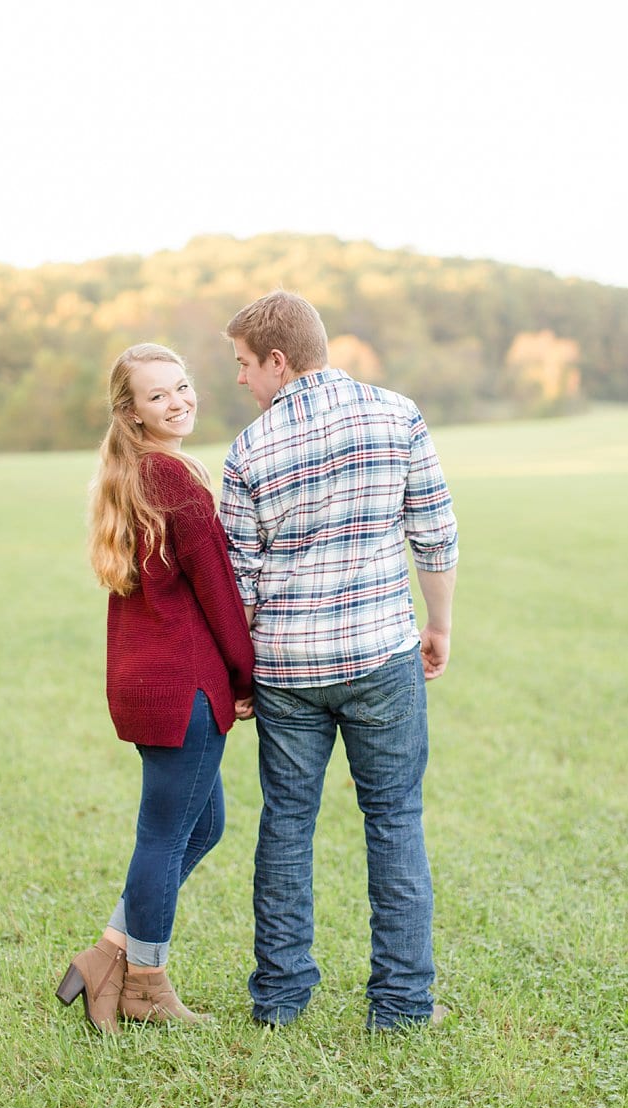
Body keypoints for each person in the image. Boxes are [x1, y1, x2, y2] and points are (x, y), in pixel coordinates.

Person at [220, 290, 459, 1031]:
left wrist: (243, 675)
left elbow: (241, 585)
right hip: (380, 651)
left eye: (242, 365)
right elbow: (435, 532)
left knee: (286, 825)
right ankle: (400, 1006)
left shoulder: (247, 450)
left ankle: (280, 999)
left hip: (288, 671)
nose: (238, 380)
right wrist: (438, 624)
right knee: (393, 820)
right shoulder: (397, 414)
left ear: (277, 360)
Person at [55, 343, 255, 1031]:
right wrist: (246, 674)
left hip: (143, 682)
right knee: (166, 833)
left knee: (203, 824)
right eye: (157, 395)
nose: (177, 401)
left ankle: (106, 954)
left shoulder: (133, 474)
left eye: (182, 386)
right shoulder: (171, 478)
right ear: (131, 412)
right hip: (184, 687)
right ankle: (145, 981)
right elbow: (220, 596)